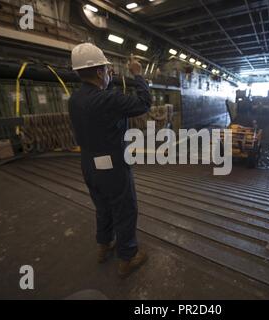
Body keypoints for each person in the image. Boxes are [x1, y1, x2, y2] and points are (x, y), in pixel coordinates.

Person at [68, 43, 151, 278]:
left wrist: (109, 78)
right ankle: (128, 257)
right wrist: (138, 74)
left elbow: (103, 98)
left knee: (103, 208)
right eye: (105, 69)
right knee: (125, 210)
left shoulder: (74, 100)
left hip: (88, 165)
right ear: (98, 72)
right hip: (112, 168)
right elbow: (144, 103)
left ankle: (104, 247)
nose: (108, 73)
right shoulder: (109, 100)